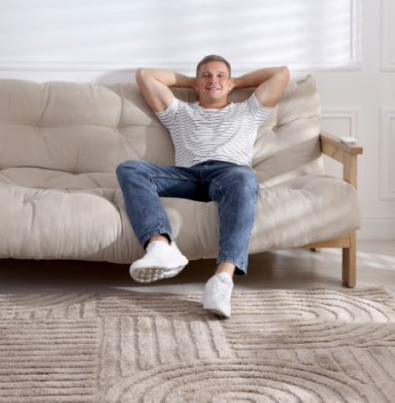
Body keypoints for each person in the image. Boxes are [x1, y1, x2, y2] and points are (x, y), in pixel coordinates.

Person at [115, 55, 290, 318]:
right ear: (196, 84)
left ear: (230, 83)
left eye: (220, 75)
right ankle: (161, 247)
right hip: (187, 175)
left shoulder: (249, 110)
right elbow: (144, 74)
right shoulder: (179, 112)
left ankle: (221, 281)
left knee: (245, 178)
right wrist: (196, 83)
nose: (213, 80)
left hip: (230, 173)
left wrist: (232, 83)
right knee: (129, 168)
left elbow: (281, 73)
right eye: (206, 75)